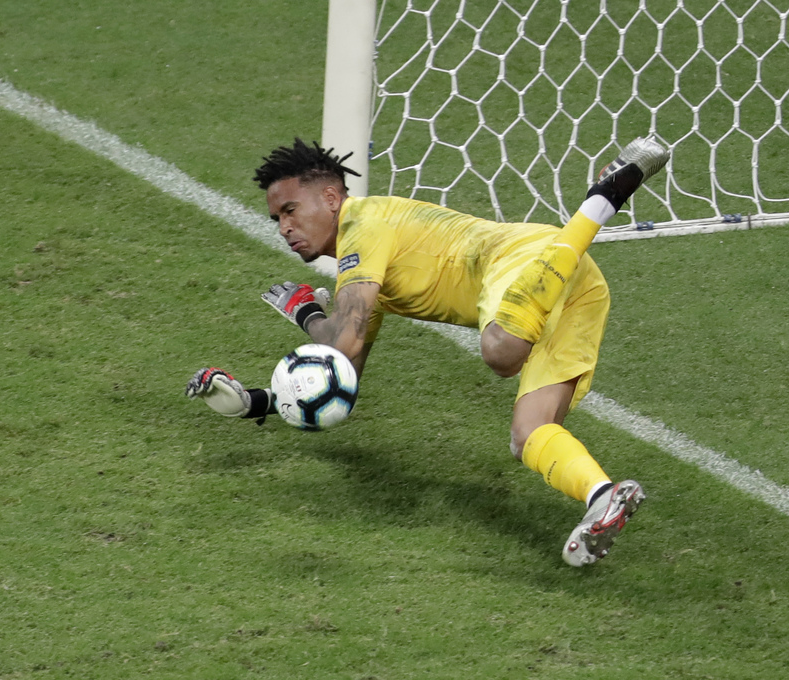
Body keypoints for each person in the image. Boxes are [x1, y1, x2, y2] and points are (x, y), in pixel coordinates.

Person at [186, 137, 669, 566]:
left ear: (331, 198)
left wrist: (304, 311)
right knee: (528, 434)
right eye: (276, 219)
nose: (283, 227)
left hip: (518, 259)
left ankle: (602, 198)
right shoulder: (365, 272)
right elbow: (343, 372)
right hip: (578, 285)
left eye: (290, 210)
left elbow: (341, 339)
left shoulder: (363, 224)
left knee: (501, 352)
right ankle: (603, 497)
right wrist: (256, 401)